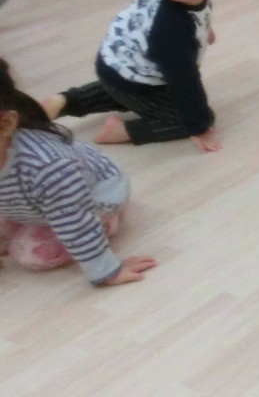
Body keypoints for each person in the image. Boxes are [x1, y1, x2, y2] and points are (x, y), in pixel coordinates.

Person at [43, 0, 224, 152]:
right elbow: (183, 80)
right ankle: (121, 131)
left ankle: (65, 101)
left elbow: (195, 16)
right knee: (194, 115)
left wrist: (203, 31)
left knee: (124, 89)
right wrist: (197, 125)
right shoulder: (172, 27)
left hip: (116, 63)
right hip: (134, 78)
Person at [0, 58, 155, 286]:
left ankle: (107, 222)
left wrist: (107, 270)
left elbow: (75, 221)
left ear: (5, 123)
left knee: (32, 254)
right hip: (27, 203)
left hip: (91, 199)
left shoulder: (47, 168)